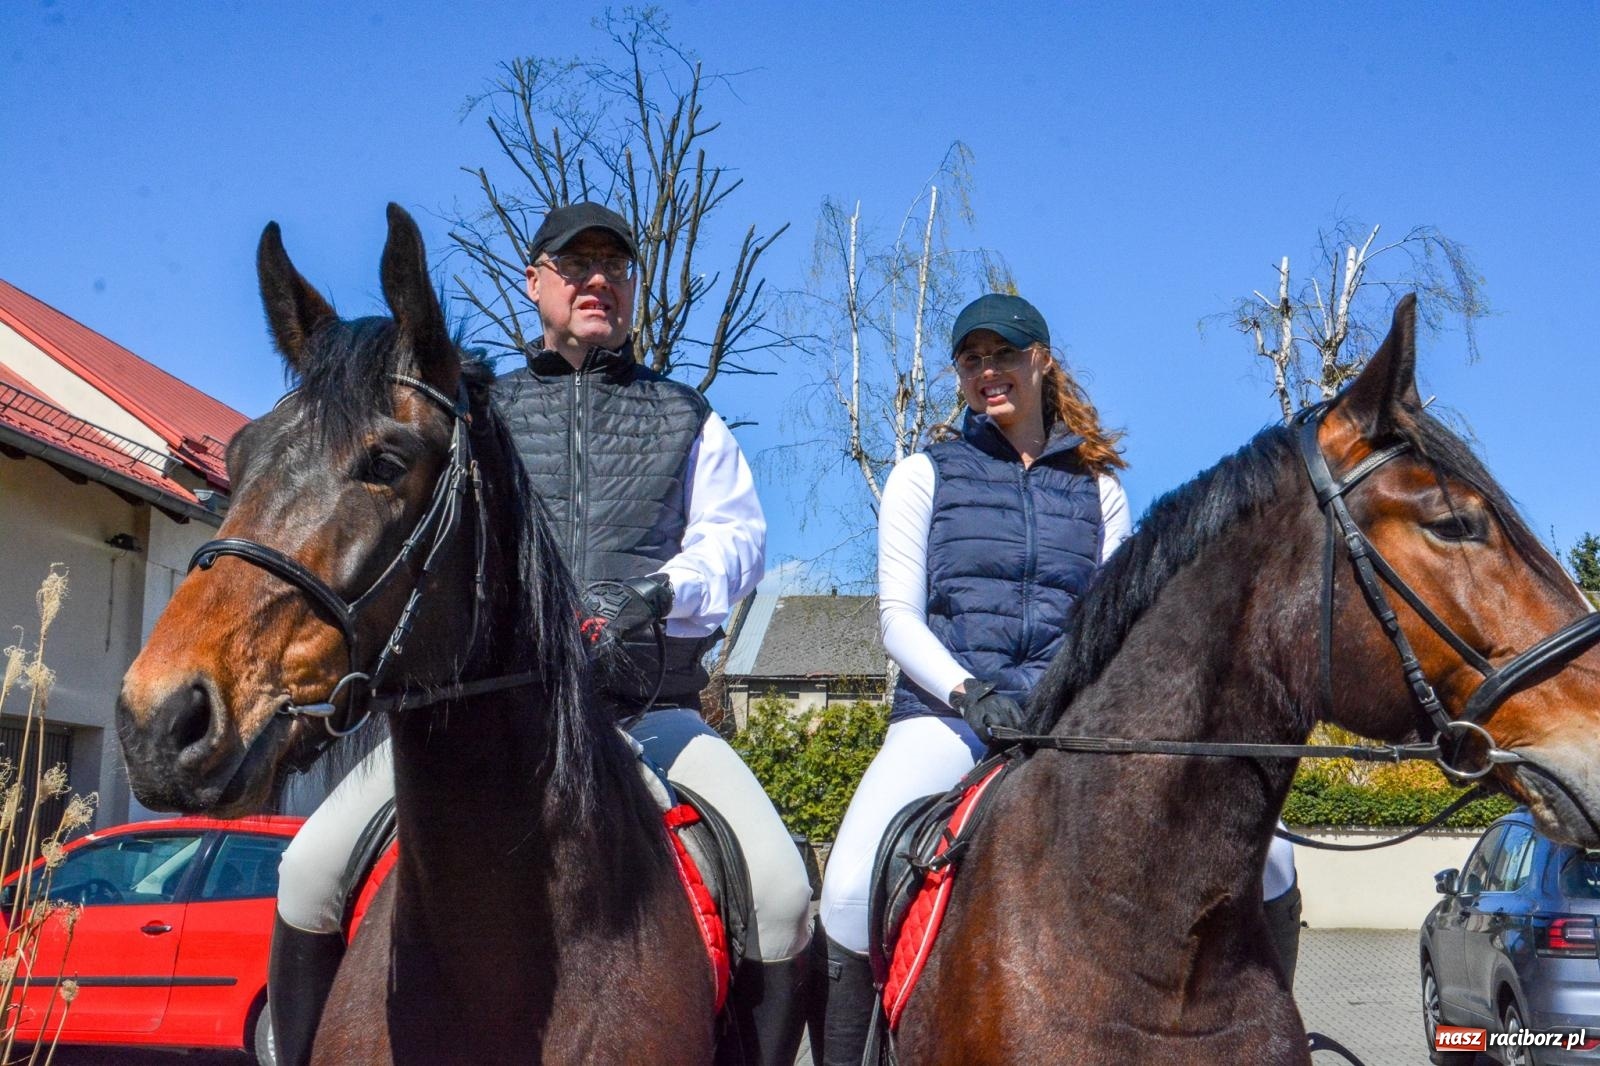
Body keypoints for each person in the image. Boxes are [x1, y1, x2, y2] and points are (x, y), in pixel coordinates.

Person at [268, 202, 815, 1066]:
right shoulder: (478, 412)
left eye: (616, 266)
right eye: (575, 264)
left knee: (781, 891)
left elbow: (737, 541)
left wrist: (661, 592)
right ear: (536, 284)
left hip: (645, 715)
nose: (598, 279)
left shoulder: (686, 414)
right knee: (306, 874)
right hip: (473, 724)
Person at [815, 293, 1133, 1065]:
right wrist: (968, 693)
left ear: (1042, 360)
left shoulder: (1102, 489)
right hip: (946, 720)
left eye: (1004, 354)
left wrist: (1067, 707)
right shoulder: (923, 475)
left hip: (1060, 729)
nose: (988, 371)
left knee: (1269, 860)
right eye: (971, 359)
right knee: (852, 891)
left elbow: (1110, 629)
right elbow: (898, 619)